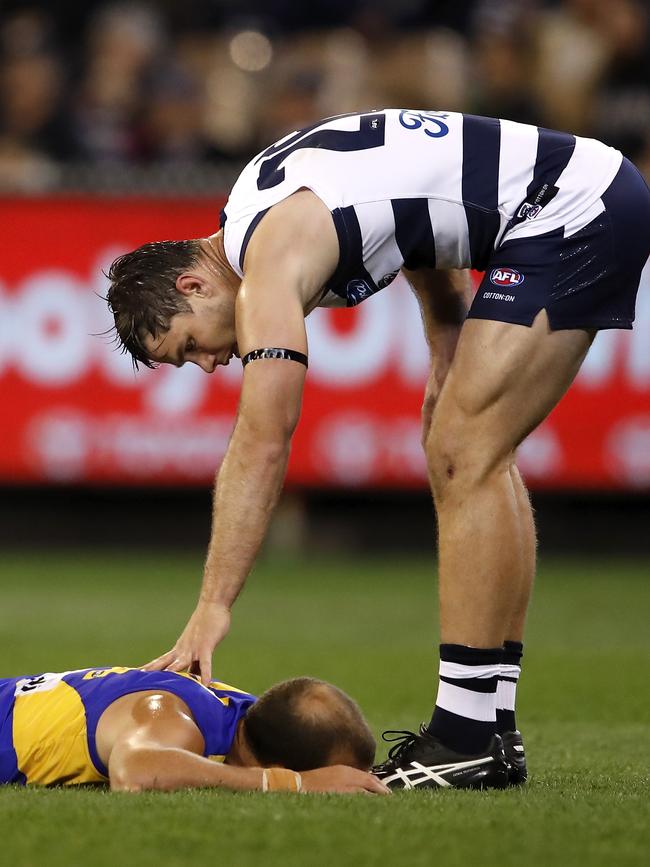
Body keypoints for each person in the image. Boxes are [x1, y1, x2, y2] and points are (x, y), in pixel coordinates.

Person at [105, 108, 650, 790]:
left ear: (194, 284)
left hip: (569, 208)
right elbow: (419, 214)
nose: (211, 364)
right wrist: (445, 343)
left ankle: (466, 734)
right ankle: (491, 729)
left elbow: (263, 440)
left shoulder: (268, 265)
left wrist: (214, 603)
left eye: (190, 347)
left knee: (464, 451)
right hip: (571, 193)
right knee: (469, 449)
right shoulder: (256, 205)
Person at [0, 665, 386, 794]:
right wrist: (296, 785)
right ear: (282, 763)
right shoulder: (174, 722)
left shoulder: (253, 716)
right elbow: (134, 772)